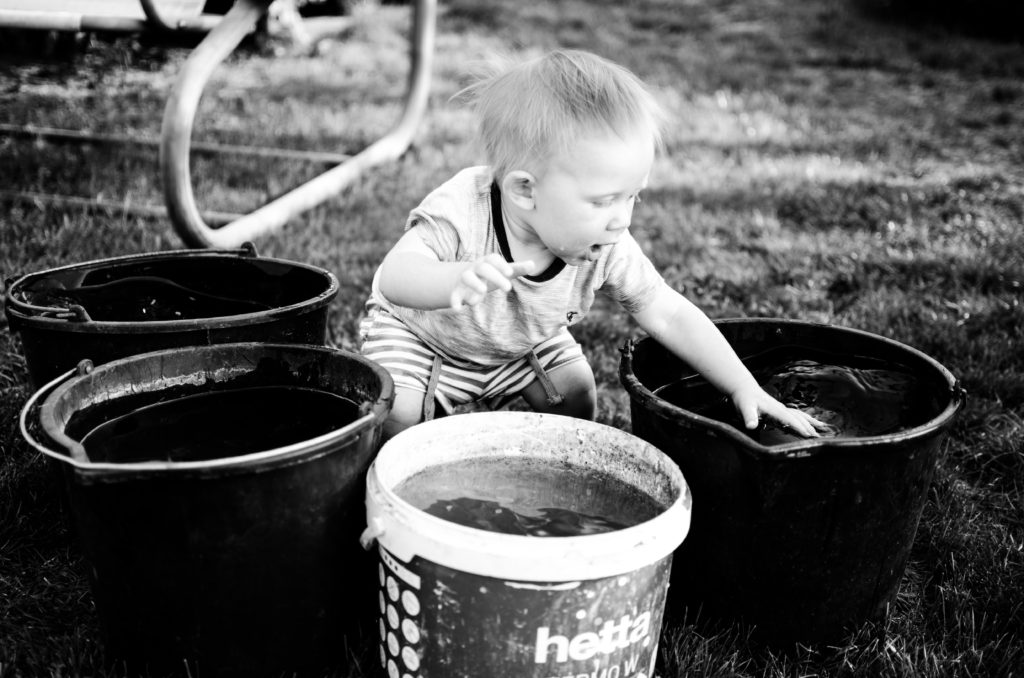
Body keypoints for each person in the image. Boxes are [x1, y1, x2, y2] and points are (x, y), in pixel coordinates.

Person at [359, 49, 826, 440]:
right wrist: (451, 279)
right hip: (425, 340)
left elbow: (668, 312)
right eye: (604, 201)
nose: (622, 219)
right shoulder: (464, 208)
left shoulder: (606, 242)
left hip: (518, 346)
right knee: (397, 413)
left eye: (633, 196)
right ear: (525, 191)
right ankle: (388, 504)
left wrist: (744, 384)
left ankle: (547, 468)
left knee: (576, 389)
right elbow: (394, 276)